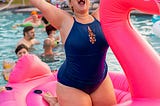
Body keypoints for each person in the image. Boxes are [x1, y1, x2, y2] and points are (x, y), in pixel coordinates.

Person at [29, 0, 117, 106]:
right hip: (72, 84)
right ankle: (56, 103)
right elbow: (39, 2)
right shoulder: (65, 20)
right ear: (70, 3)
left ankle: (57, 101)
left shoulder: (101, 14)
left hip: (101, 80)